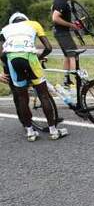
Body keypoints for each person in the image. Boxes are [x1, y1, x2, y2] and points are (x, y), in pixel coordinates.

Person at [0, 12, 68, 141]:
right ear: (25, 20)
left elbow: (2, 55)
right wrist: (39, 57)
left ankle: (30, 132)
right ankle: (53, 131)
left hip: (12, 59)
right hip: (30, 57)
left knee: (22, 98)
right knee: (43, 94)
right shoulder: (34, 24)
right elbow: (48, 48)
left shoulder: (5, 29)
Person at [51, 0, 79, 87]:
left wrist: (72, 25)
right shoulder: (61, 2)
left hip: (60, 31)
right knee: (73, 54)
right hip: (61, 32)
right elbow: (55, 18)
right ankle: (77, 81)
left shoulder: (61, 0)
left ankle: (66, 80)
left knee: (68, 55)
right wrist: (71, 25)